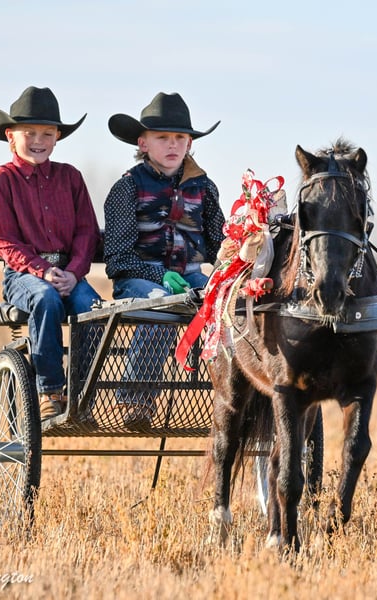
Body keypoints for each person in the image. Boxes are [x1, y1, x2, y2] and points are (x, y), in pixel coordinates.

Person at [104, 92, 225, 428]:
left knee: (233, 308)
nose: (173, 144)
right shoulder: (126, 188)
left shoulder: (204, 188)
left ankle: (235, 399)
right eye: (162, 138)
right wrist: (160, 277)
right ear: (143, 143)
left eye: (180, 138)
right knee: (162, 304)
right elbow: (117, 260)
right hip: (138, 280)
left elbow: (219, 246)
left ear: (189, 143)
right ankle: (135, 401)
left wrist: (244, 248)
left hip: (192, 275)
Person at [0, 86, 101, 421]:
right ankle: (49, 390)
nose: (38, 140)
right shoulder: (2, 181)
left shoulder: (70, 177)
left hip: (68, 273)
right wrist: (42, 270)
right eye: (29, 133)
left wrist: (74, 272)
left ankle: (81, 392)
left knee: (93, 309)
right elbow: (3, 239)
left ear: (57, 137)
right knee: (46, 299)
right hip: (23, 276)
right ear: (11, 136)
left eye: (47, 133)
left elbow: (87, 232)